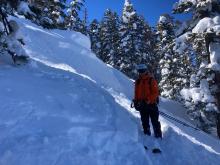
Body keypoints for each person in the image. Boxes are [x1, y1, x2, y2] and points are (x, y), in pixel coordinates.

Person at [132, 64, 162, 138]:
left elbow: (156, 93)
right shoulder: (138, 81)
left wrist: (147, 100)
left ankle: (158, 136)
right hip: (142, 105)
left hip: (151, 105)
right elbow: (136, 93)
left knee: (155, 121)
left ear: (146, 71)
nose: (141, 72)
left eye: (142, 71)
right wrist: (136, 101)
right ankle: (147, 134)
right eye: (140, 71)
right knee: (144, 121)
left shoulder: (151, 80)